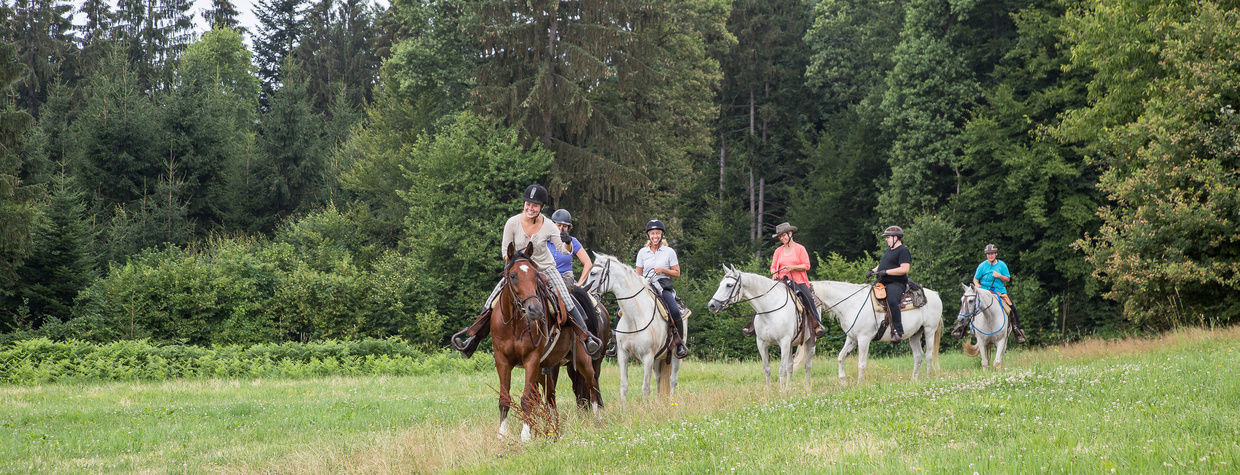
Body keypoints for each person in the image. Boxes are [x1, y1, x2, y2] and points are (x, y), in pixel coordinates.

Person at [451, 185, 602, 357]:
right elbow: (504, 253)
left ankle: (587, 339)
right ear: (524, 203)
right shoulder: (512, 223)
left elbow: (564, 250)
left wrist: (567, 242)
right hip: (519, 268)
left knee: (567, 301)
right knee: (492, 301)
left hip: (545, 268)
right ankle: (472, 339)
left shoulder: (550, 226)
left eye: (535, 205)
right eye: (528, 204)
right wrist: (517, 268)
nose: (530, 208)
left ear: (541, 208)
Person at [743, 222, 827, 338]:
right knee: (763, 297)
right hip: (781, 280)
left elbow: (807, 266)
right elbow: (773, 266)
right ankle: (753, 326)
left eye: (784, 235)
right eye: (780, 236)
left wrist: (793, 267)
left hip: (798, 281)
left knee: (808, 298)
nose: (782, 238)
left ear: (790, 233)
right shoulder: (778, 251)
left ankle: (817, 325)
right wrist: (773, 273)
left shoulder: (800, 249)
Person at [635, 219, 688, 359]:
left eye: (657, 233)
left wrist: (663, 270)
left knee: (675, 312)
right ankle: (616, 342)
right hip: (645, 286)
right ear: (648, 236)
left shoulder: (669, 252)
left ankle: (679, 344)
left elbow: (677, 273)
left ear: (661, 235)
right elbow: (637, 274)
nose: (655, 236)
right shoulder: (642, 252)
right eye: (652, 233)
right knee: (621, 310)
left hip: (663, 286)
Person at [957, 243, 1028, 343]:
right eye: (988, 254)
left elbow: (1007, 279)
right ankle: (961, 329)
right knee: (970, 305)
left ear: (996, 254)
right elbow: (975, 279)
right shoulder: (982, 266)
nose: (990, 255)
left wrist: (999, 276)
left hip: (999, 292)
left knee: (1012, 309)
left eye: (992, 253)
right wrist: (978, 286)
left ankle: (1017, 331)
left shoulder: (1002, 265)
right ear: (986, 255)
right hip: (984, 292)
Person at [868, 225, 911, 343]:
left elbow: (904, 269)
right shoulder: (888, 250)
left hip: (896, 283)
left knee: (892, 300)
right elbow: (883, 265)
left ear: (896, 238)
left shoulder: (903, 250)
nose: (886, 239)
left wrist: (886, 272)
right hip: (883, 282)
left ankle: (898, 331)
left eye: (888, 237)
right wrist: (873, 271)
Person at [547, 209, 592, 287]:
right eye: (558, 225)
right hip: (544, 280)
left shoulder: (573, 241)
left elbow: (588, 263)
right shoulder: (543, 240)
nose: (561, 229)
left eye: (564, 226)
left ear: (568, 228)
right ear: (553, 225)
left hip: (565, 281)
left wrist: (579, 283)